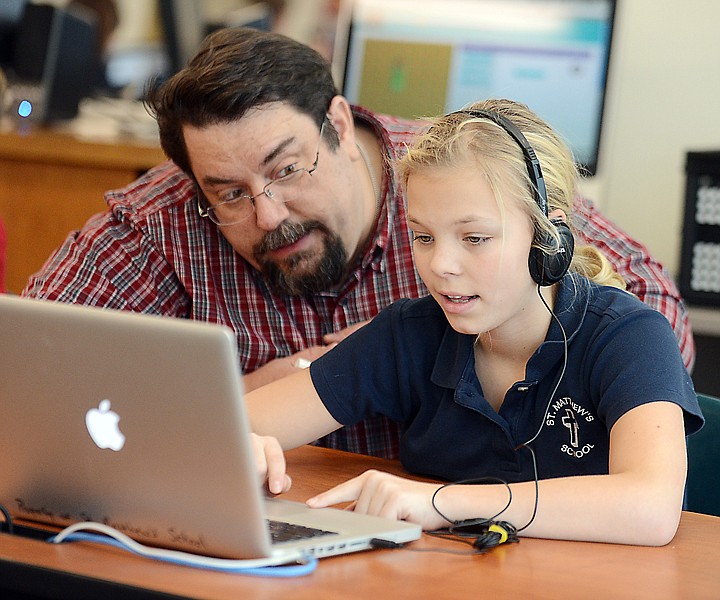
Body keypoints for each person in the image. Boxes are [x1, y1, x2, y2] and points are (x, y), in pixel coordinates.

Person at [23, 27, 694, 460]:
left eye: (288, 169)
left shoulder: (445, 177)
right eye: (228, 192)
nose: (268, 214)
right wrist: (278, 378)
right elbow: (30, 366)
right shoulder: (164, 221)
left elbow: (648, 296)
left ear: (339, 125)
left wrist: (542, 430)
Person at [248, 100, 704, 546]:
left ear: (551, 237)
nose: (441, 264)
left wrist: (444, 502)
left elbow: (650, 508)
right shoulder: (407, 334)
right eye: (423, 237)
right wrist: (241, 446)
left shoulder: (630, 336)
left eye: (475, 238)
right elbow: (232, 428)